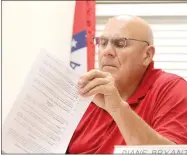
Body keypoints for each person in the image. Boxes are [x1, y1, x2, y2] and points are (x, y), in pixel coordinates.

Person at [66, 15, 187, 154]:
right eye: (103, 43)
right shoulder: (88, 92)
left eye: (120, 43)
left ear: (147, 55)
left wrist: (117, 108)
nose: (106, 52)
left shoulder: (172, 90)